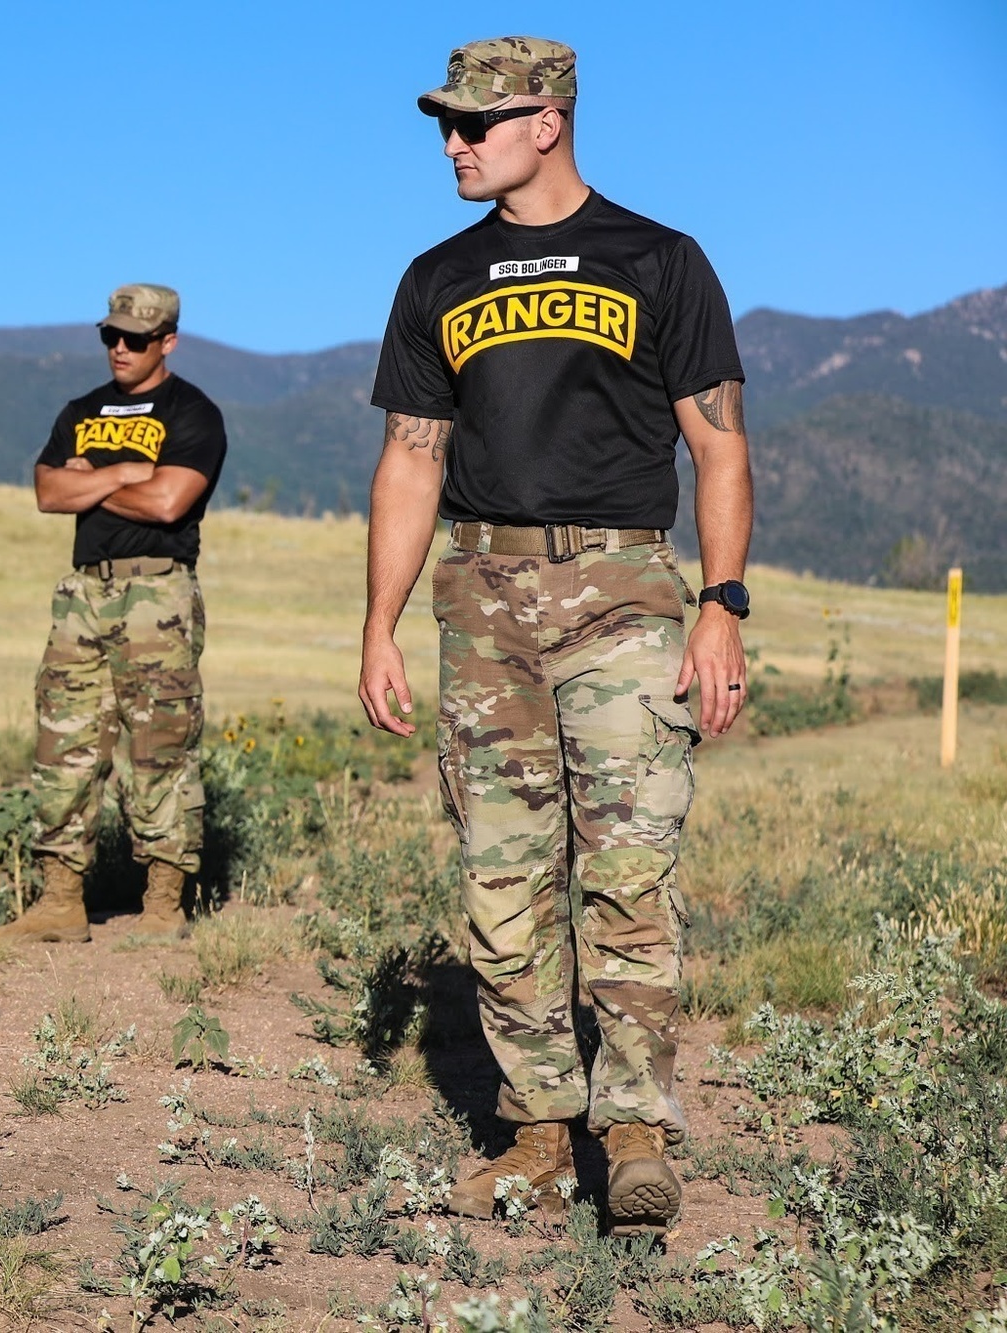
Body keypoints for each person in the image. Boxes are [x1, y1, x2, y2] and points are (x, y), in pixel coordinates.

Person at [358, 36, 752, 1235]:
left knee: (629, 865)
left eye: (474, 124)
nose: (453, 145)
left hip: (622, 590)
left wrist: (722, 605)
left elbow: (718, 445)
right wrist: (375, 623)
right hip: (479, 603)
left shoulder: (658, 259)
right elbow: (410, 458)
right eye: (444, 125)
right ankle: (536, 1128)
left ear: (548, 119)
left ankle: (630, 1129)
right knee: (501, 876)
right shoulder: (436, 276)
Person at [0, 284, 227, 946]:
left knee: (159, 746)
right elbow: (46, 490)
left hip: (158, 595)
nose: (120, 347)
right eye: (111, 336)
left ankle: (162, 905)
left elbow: (169, 504)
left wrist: (91, 480)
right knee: (63, 743)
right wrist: (130, 471)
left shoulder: (194, 412)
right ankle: (61, 901)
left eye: (136, 338)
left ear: (168, 341)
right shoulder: (80, 410)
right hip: (83, 595)